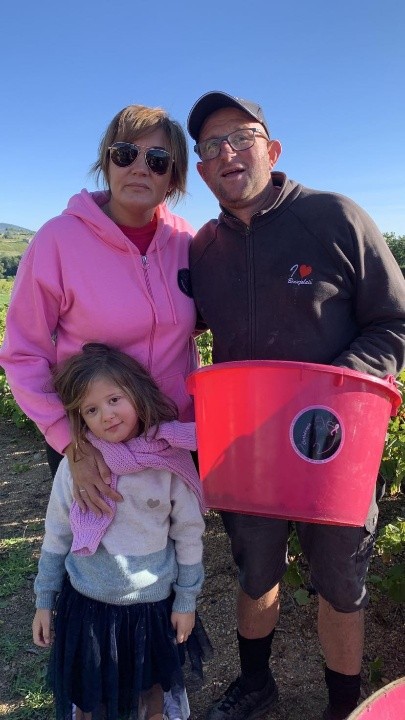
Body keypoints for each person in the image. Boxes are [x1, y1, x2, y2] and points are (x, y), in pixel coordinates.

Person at [186, 90, 405, 720]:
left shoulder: (335, 217)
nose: (226, 151)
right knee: (256, 570)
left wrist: (329, 395)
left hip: (330, 444)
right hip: (246, 447)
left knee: (341, 582)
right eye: (210, 145)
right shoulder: (203, 249)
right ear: (201, 170)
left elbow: (393, 322)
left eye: (242, 136)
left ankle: (342, 705)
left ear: (272, 148)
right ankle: (257, 683)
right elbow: (172, 331)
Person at [0, 103, 198, 516]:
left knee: (175, 557)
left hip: (171, 438)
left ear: (173, 179)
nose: (141, 168)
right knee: (99, 570)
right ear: (107, 161)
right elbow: (23, 352)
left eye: (158, 160)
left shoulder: (186, 243)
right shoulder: (58, 239)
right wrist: (70, 441)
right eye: (126, 153)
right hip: (91, 440)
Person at [32, 342, 207, 720]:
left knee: (152, 692)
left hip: (152, 610)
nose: (106, 415)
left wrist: (186, 601)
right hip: (88, 610)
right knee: (90, 699)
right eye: (91, 410)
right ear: (80, 419)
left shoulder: (168, 463)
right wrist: (44, 599)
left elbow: (189, 536)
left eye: (114, 399)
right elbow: (57, 534)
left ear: (137, 393)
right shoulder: (78, 467)